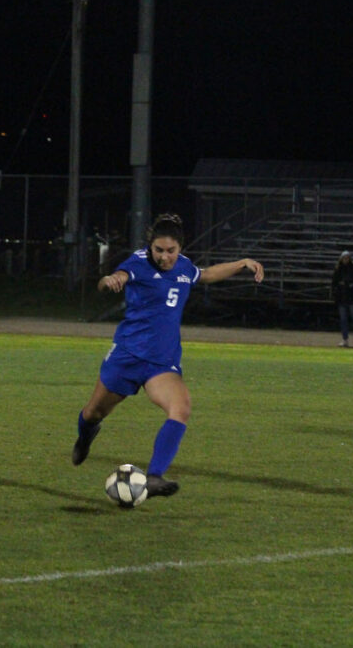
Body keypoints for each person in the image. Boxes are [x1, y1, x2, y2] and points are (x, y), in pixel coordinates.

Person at [70, 213, 264, 498]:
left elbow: (207, 274)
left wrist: (242, 263)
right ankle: (85, 436)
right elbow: (116, 278)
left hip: (161, 362)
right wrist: (109, 280)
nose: (164, 257)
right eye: (158, 250)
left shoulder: (184, 267)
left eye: (170, 251)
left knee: (181, 407)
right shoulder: (137, 262)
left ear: (180, 249)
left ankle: (154, 476)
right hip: (127, 355)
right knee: (93, 412)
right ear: (150, 247)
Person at [331, 250, 353, 347]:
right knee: (343, 320)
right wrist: (339, 288)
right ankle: (345, 339)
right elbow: (334, 283)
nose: (346, 260)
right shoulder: (338, 270)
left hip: (352, 298)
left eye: (347, 258)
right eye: (344, 258)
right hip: (342, 298)